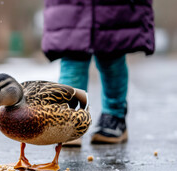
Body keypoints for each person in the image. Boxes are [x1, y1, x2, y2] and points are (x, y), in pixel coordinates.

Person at [42, 0, 155, 145]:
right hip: (72, 6)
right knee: (73, 58)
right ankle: (70, 117)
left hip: (112, 8)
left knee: (112, 55)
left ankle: (114, 116)